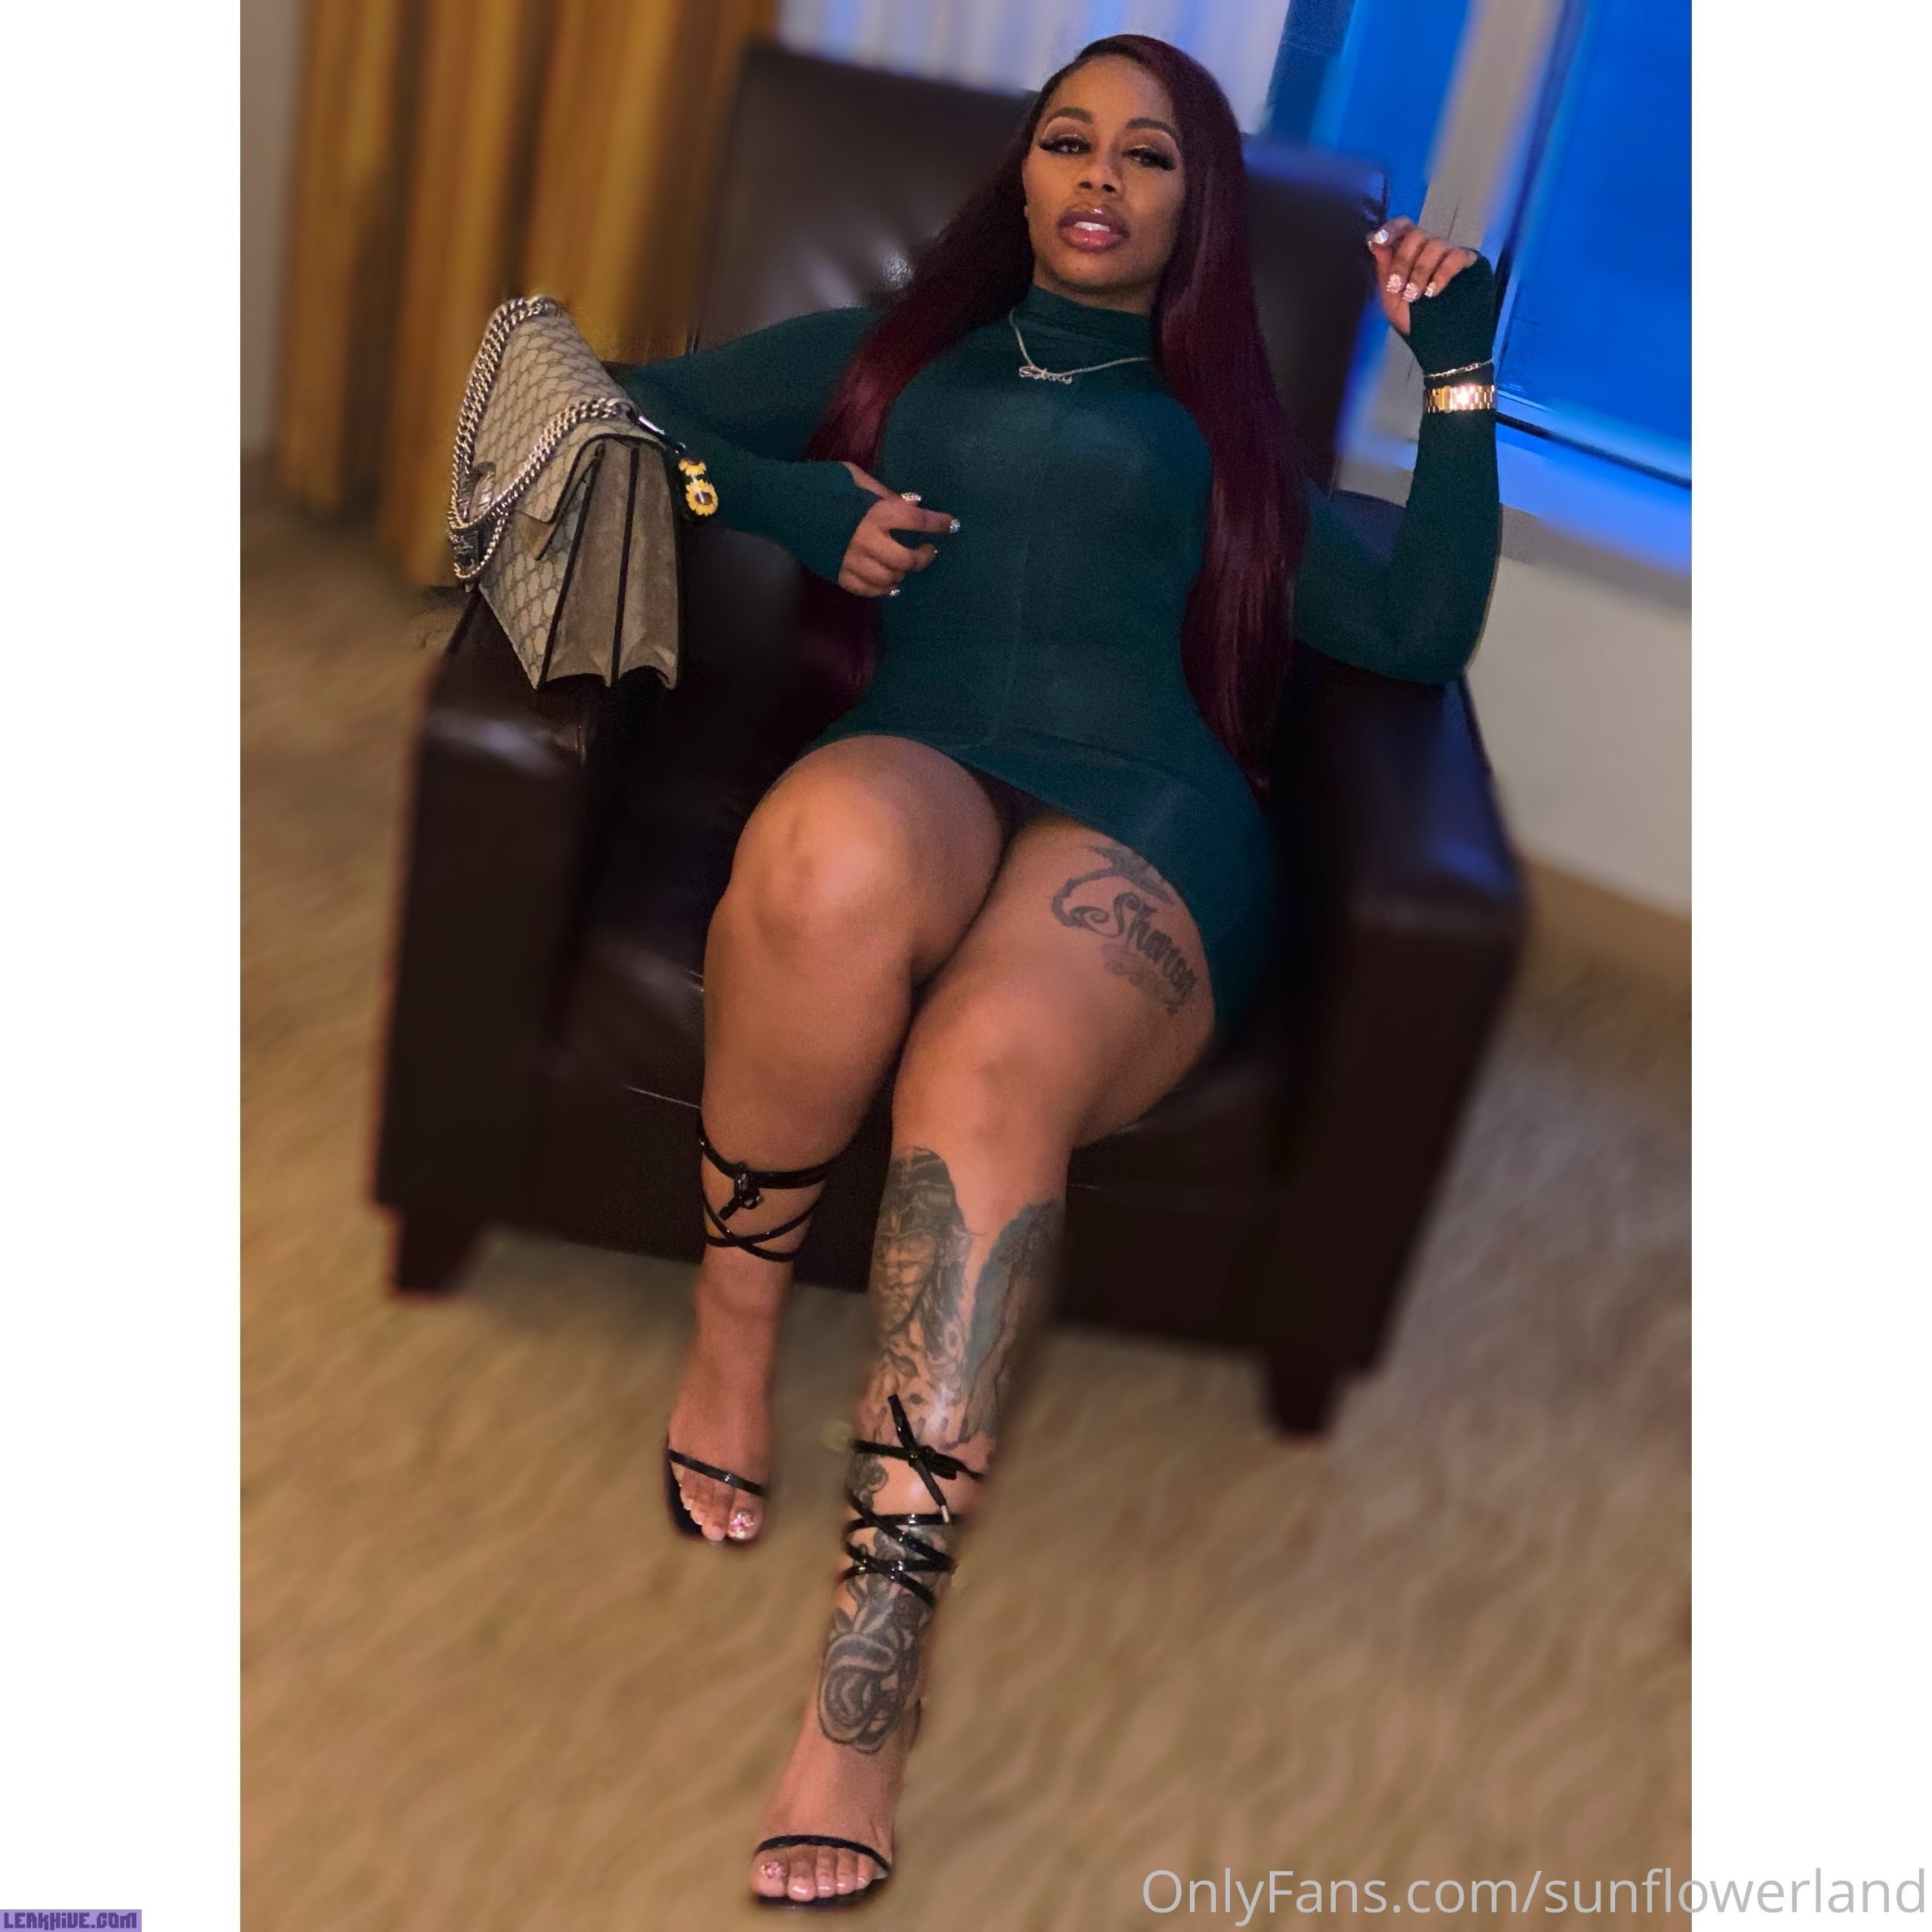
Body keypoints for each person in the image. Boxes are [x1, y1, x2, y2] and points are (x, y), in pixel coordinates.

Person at [615, 30, 1501, 1910]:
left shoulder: (1222, 429)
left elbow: (1419, 632)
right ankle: (732, 1328)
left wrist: (1455, 377)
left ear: (1195, 206)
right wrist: (790, 505)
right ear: (1019, 172)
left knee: (992, 1059)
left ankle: (869, 1672)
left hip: (1147, 815)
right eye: (1066, 139)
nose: (1099, 174)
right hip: (921, 758)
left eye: (1147, 154)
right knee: (824, 858)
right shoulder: (890, 356)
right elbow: (596, 409)